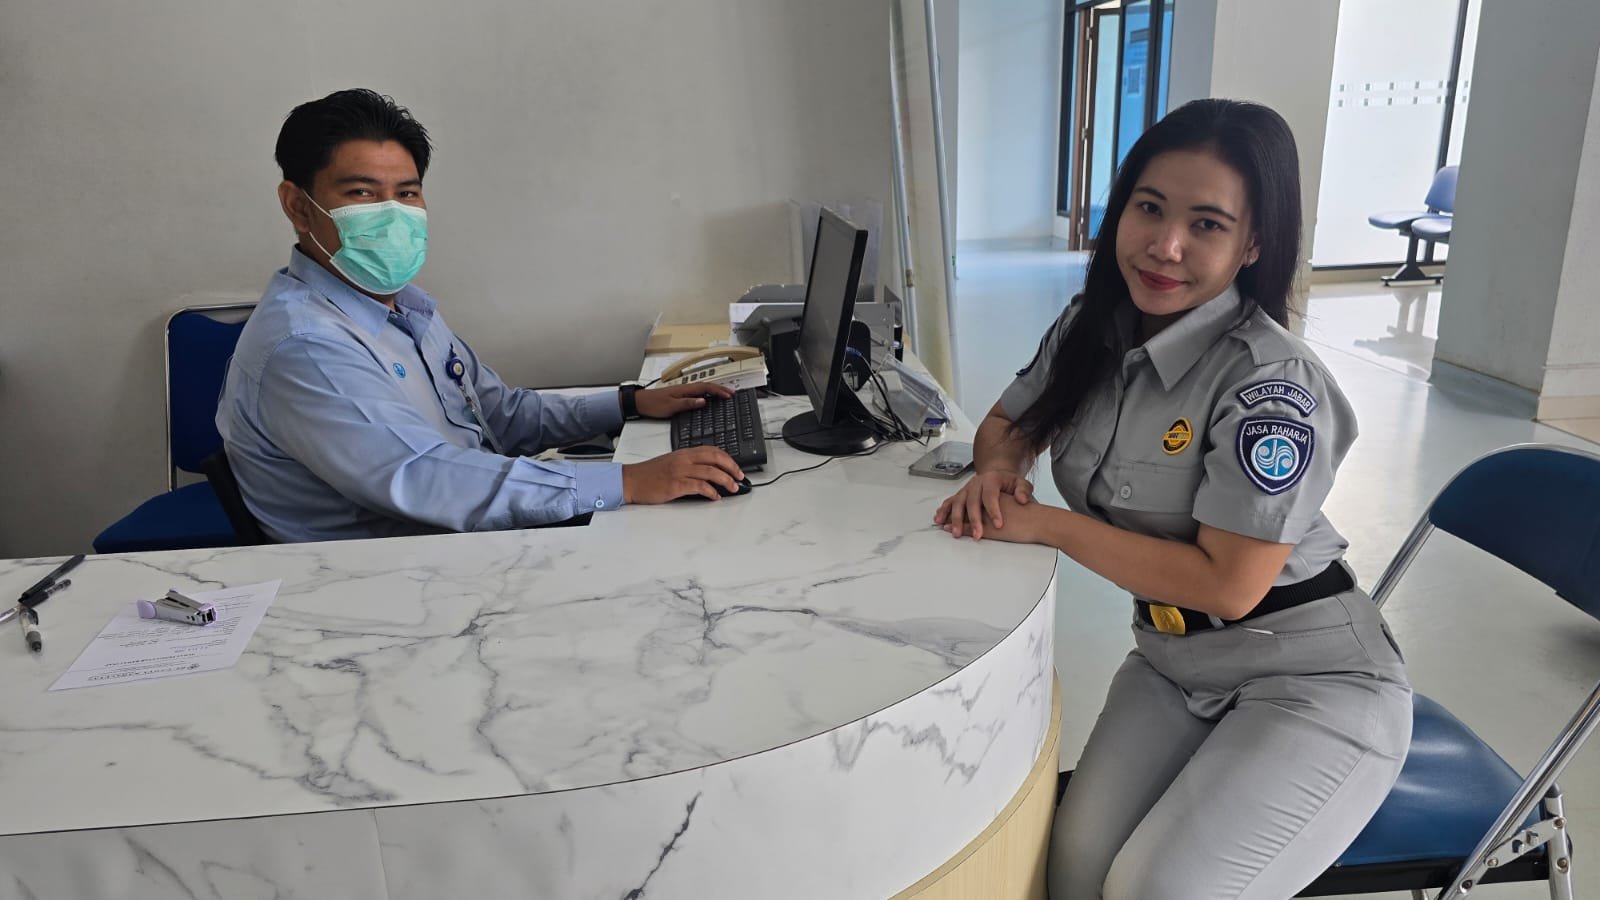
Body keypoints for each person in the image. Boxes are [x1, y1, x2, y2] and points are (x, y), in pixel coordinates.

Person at [933, 99, 1411, 899]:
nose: (1165, 245)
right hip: (1171, 660)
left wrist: (1046, 525)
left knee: (1156, 892)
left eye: (1207, 224)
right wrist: (998, 474)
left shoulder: (1271, 384)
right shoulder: (1093, 327)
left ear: (1253, 244)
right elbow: (1007, 424)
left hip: (1311, 678)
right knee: (1071, 875)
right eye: (1149, 208)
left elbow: (1229, 584)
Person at [217, 89, 746, 543]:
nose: (392, 214)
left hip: (462, 540)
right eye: (362, 193)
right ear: (297, 205)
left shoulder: (405, 308)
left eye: (406, 193)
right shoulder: (306, 345)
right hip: (394, 575)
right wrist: (627, 482)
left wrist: (627, 402)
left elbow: (500, 415)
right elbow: (423, 476)